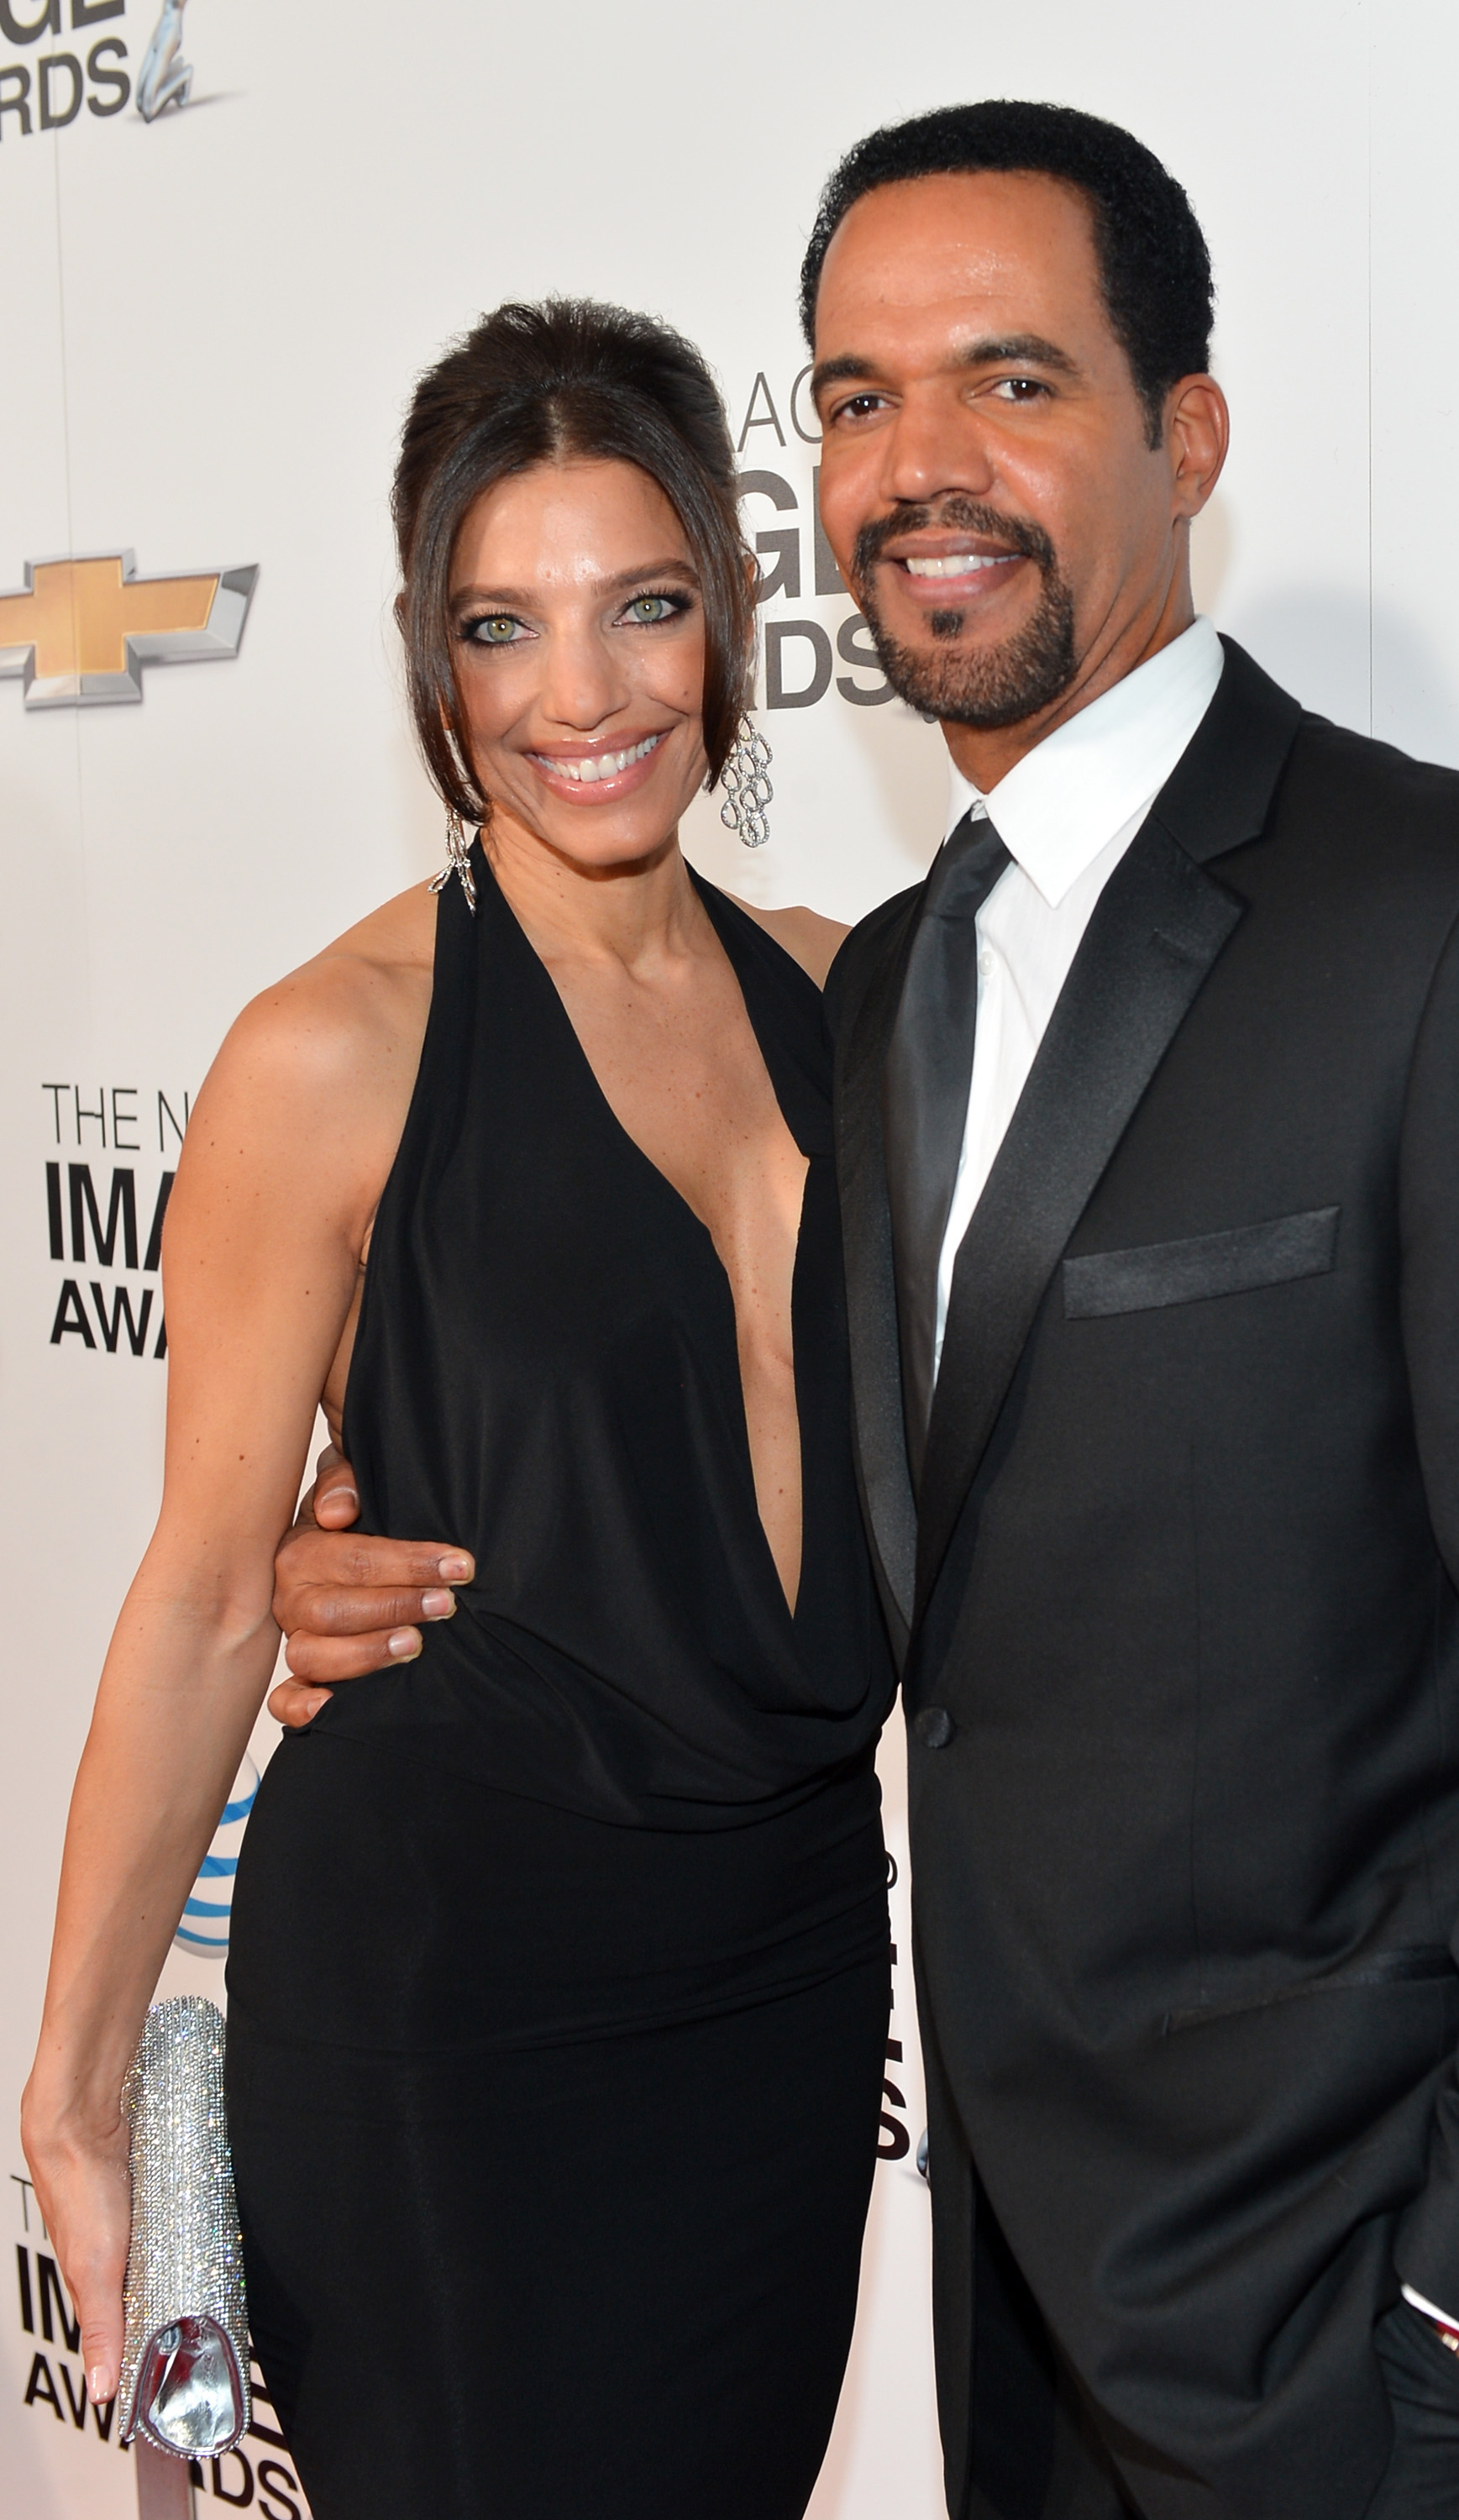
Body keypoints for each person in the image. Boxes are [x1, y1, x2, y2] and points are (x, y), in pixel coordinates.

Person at [273, 104, 1459, 2520]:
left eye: (1008, 380)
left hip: (1378, 2339)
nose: (921, 465)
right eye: (850, 397)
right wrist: (395, 1545)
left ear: (1185, 437)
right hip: (1003, 2318)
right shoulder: (882, 986)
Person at [21, 297, 897, 2520]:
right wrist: (75, 2087)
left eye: (644, 607)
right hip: (457, 1991)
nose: (581, 696)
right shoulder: (332, 1049)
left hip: (788, 1968)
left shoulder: (845, 990)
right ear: (435, 662)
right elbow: (217, 1592)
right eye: (504, 627)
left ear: (732, 608)